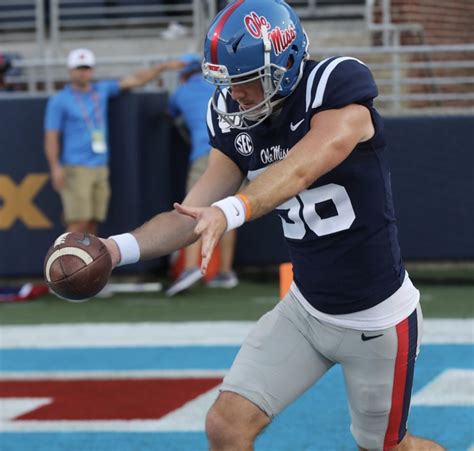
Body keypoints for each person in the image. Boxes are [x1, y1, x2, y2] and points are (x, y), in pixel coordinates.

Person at [98, 1, 444, 449]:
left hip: (376, 320)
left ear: (284, 63)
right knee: (226, 426)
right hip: (305, 311)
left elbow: (300, 169)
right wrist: (114, 249)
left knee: (386, 447)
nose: (236, 93)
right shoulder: (234, 115)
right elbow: (193, 213)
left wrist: (233, 211)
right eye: (228, 81)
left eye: (246, 80)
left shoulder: (336, 86)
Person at [44, 48, 168, 235]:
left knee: (93, 221)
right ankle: (62, 262)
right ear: (70, 71)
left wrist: (161, 67)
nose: (83, 72)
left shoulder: (100, 90)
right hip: (76, 167)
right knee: (78, 222)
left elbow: (135, 80)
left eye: (86, 68)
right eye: (79, 68)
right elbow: (51, 136)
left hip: (100, 166)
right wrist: (55, 166)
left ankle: (88, 263)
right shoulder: (60, 100)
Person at [165, 54, 239, 296]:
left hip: (205, 155)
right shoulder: (223, 86)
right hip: (235, 154)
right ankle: (225, 272)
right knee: (229, 213)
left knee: (194, 213)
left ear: (184, 75)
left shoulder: (181, 92)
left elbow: (172, 113)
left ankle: (189, 268)